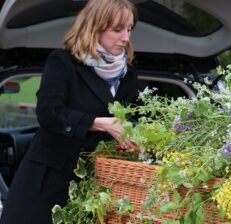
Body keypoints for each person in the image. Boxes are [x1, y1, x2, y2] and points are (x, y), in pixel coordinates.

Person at [0, 0, 139, 223]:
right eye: (117, 29)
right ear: (95, 26)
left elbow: (132, 122)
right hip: (46, 181)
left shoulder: (129, 76)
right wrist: (101, 123)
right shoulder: (62, 62)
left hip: (96, 188)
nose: (126, 37)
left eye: (130, 29)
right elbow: (48, 113)